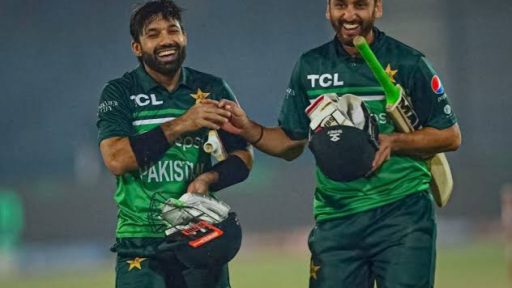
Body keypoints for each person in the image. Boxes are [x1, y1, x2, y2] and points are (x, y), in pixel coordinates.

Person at [218, 0, 461, 287]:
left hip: (402, 215)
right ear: (328, 9)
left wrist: (395, 141)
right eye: (340, 5)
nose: (349, 15)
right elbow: (290, 143)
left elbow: (450, 136)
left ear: (377, 8)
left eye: (360, 5)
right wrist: (249, 129)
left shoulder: (409, 62)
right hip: (337, 218)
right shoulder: (310, 65)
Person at [96, 1, 252, 287]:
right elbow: (116, 159)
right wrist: (183, 123)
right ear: (137, 48)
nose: (166, 40)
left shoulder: (213, 88)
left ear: (184, 37)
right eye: (153, 34)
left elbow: (243, 157)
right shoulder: (120, 92)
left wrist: (208, 179)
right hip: (141, 243)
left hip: (199, 234)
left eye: (173, 30)